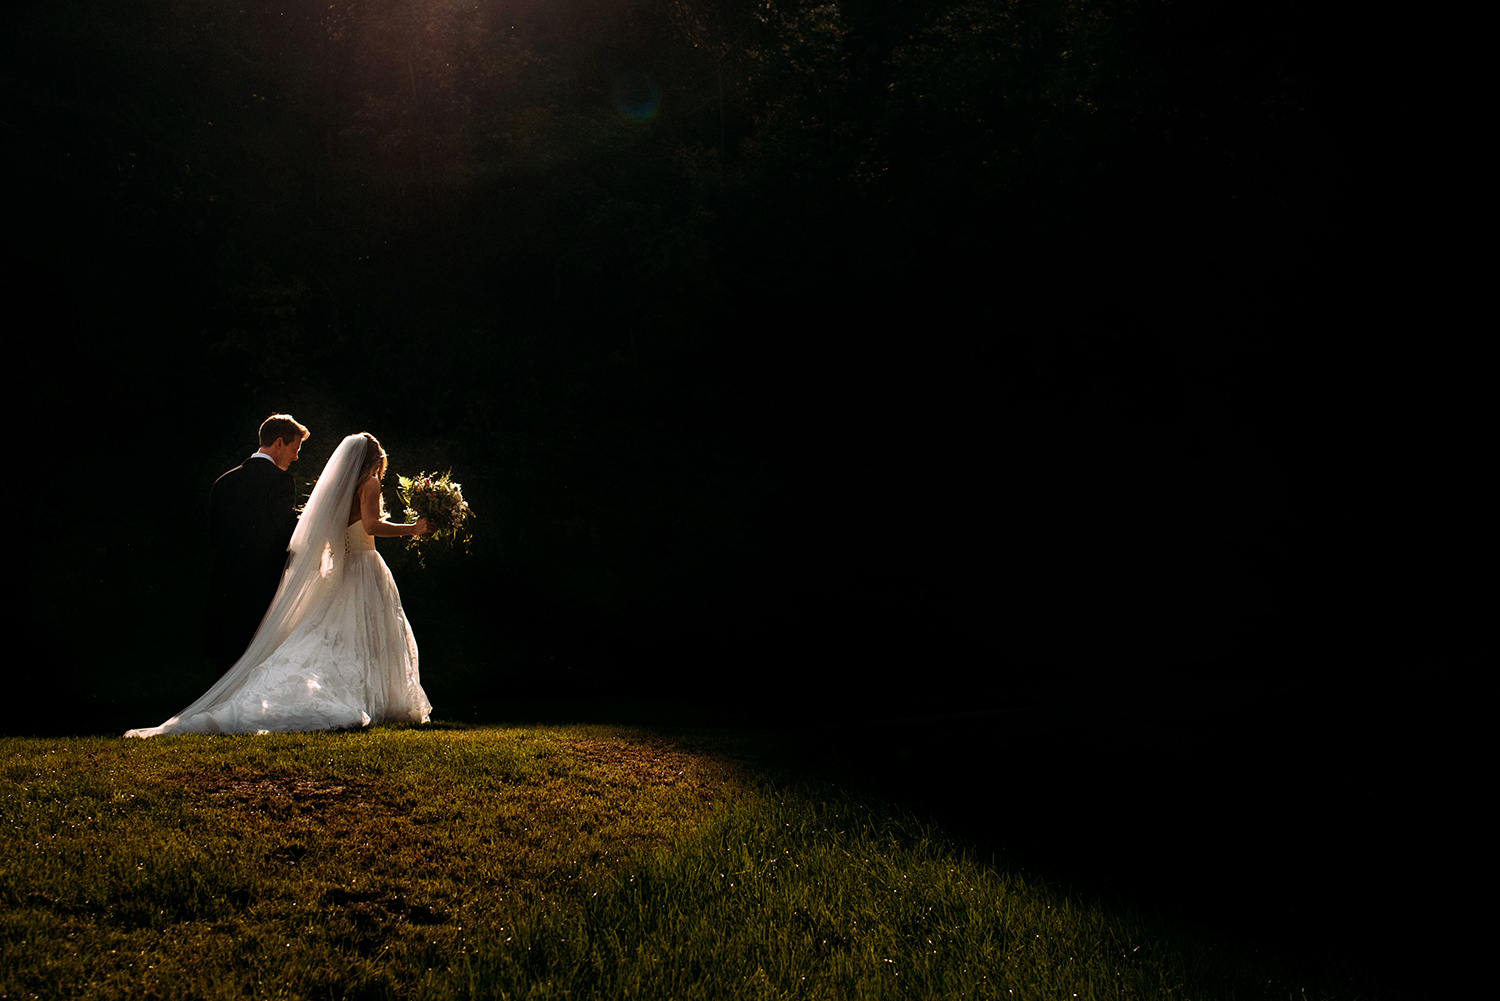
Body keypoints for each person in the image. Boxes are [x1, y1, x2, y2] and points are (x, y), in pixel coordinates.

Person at [129, 433, 433, 737]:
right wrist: (414, 529)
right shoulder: (370, 483)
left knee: (338, 634)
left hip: (343, 568)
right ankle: (376, 699)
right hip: (365, 565)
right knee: (370, 633)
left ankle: (363, 697)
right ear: (376, 457)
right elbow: (370, 526)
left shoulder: (343, 489)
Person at [204, 414, 308, 670]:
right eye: (295, 449)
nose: (295, 457)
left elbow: (214, 535)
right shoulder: (281, 480)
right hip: (264, 584)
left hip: (226, 584)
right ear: (279, 443)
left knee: (229, 658)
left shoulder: (223, 482)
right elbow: (284, 533)